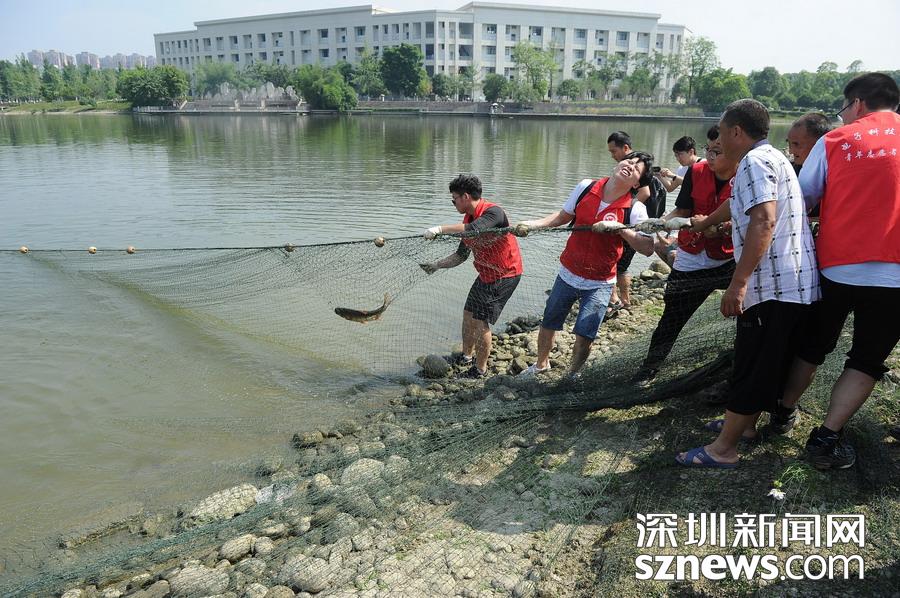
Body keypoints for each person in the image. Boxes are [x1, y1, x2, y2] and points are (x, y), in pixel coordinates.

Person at [676, 99, 819, 468]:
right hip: (791, 284)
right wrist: (705, 222)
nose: (719, 140)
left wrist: (738, 284)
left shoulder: (754, 162)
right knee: (761, 360)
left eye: (722, 132)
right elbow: (742, 206)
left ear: (737, 131)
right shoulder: (768, 157)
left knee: (753, 365)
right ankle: (746, 427)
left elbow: (764, 222)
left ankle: (724, 449)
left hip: (773, 286)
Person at [773, 73, 900, 470]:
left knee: (813, 345)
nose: (843, 116)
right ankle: (825, 438)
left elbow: (801, 198)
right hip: (894, 277)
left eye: (844, 108)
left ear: (857, 103)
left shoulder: (834, 141)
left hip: (835, 267)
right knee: (866, 359)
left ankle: (782, 412)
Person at [515, 153, 656, 377]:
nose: (630, 166)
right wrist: (532, 225)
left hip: (600, 282)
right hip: (568, 273)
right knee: (549, 321)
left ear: (637, 183)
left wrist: (619, 228)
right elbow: (561, 217)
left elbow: (648, 248)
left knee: (585, 334)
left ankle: (572, 374)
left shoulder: (635, 209)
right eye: (629, 161)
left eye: (637, 169)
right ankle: (541, 364)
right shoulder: (585, 187)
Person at [632, 125, 738, 386]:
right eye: (708, 150)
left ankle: (738, 363)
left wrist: (722, 228)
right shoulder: (696, 171)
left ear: (736, 153)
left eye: (718, 151)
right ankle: (649, 370)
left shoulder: (746, 174)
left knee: (747, 311)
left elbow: (754, 216)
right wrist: (660, 223)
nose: (711, 157)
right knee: (672, 317)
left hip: (728, 259)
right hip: (691, 255)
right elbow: (683, 208)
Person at [420, 174, 523, 379]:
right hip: (486, 274)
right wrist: (436, 265)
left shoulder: (494, 212)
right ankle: (466, 357)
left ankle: (480, 370)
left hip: (505, 275)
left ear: (465, 196)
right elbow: (461, 256)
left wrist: (439, 229)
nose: (453, 203)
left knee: (480, 322)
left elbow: (475, 230)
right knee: (468, 313)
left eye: (454, 199)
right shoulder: (467, 218)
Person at [607, 131, 667, 313]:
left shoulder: (637, 167)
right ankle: (624, 300)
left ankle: (616, 301)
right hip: (639, 225)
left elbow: (645, 193)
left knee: (615, 264)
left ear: (625, 148)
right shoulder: (634, 166)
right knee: (622, 265)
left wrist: (627, 209)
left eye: (614, 151)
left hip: (633, 225)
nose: (613, 156)